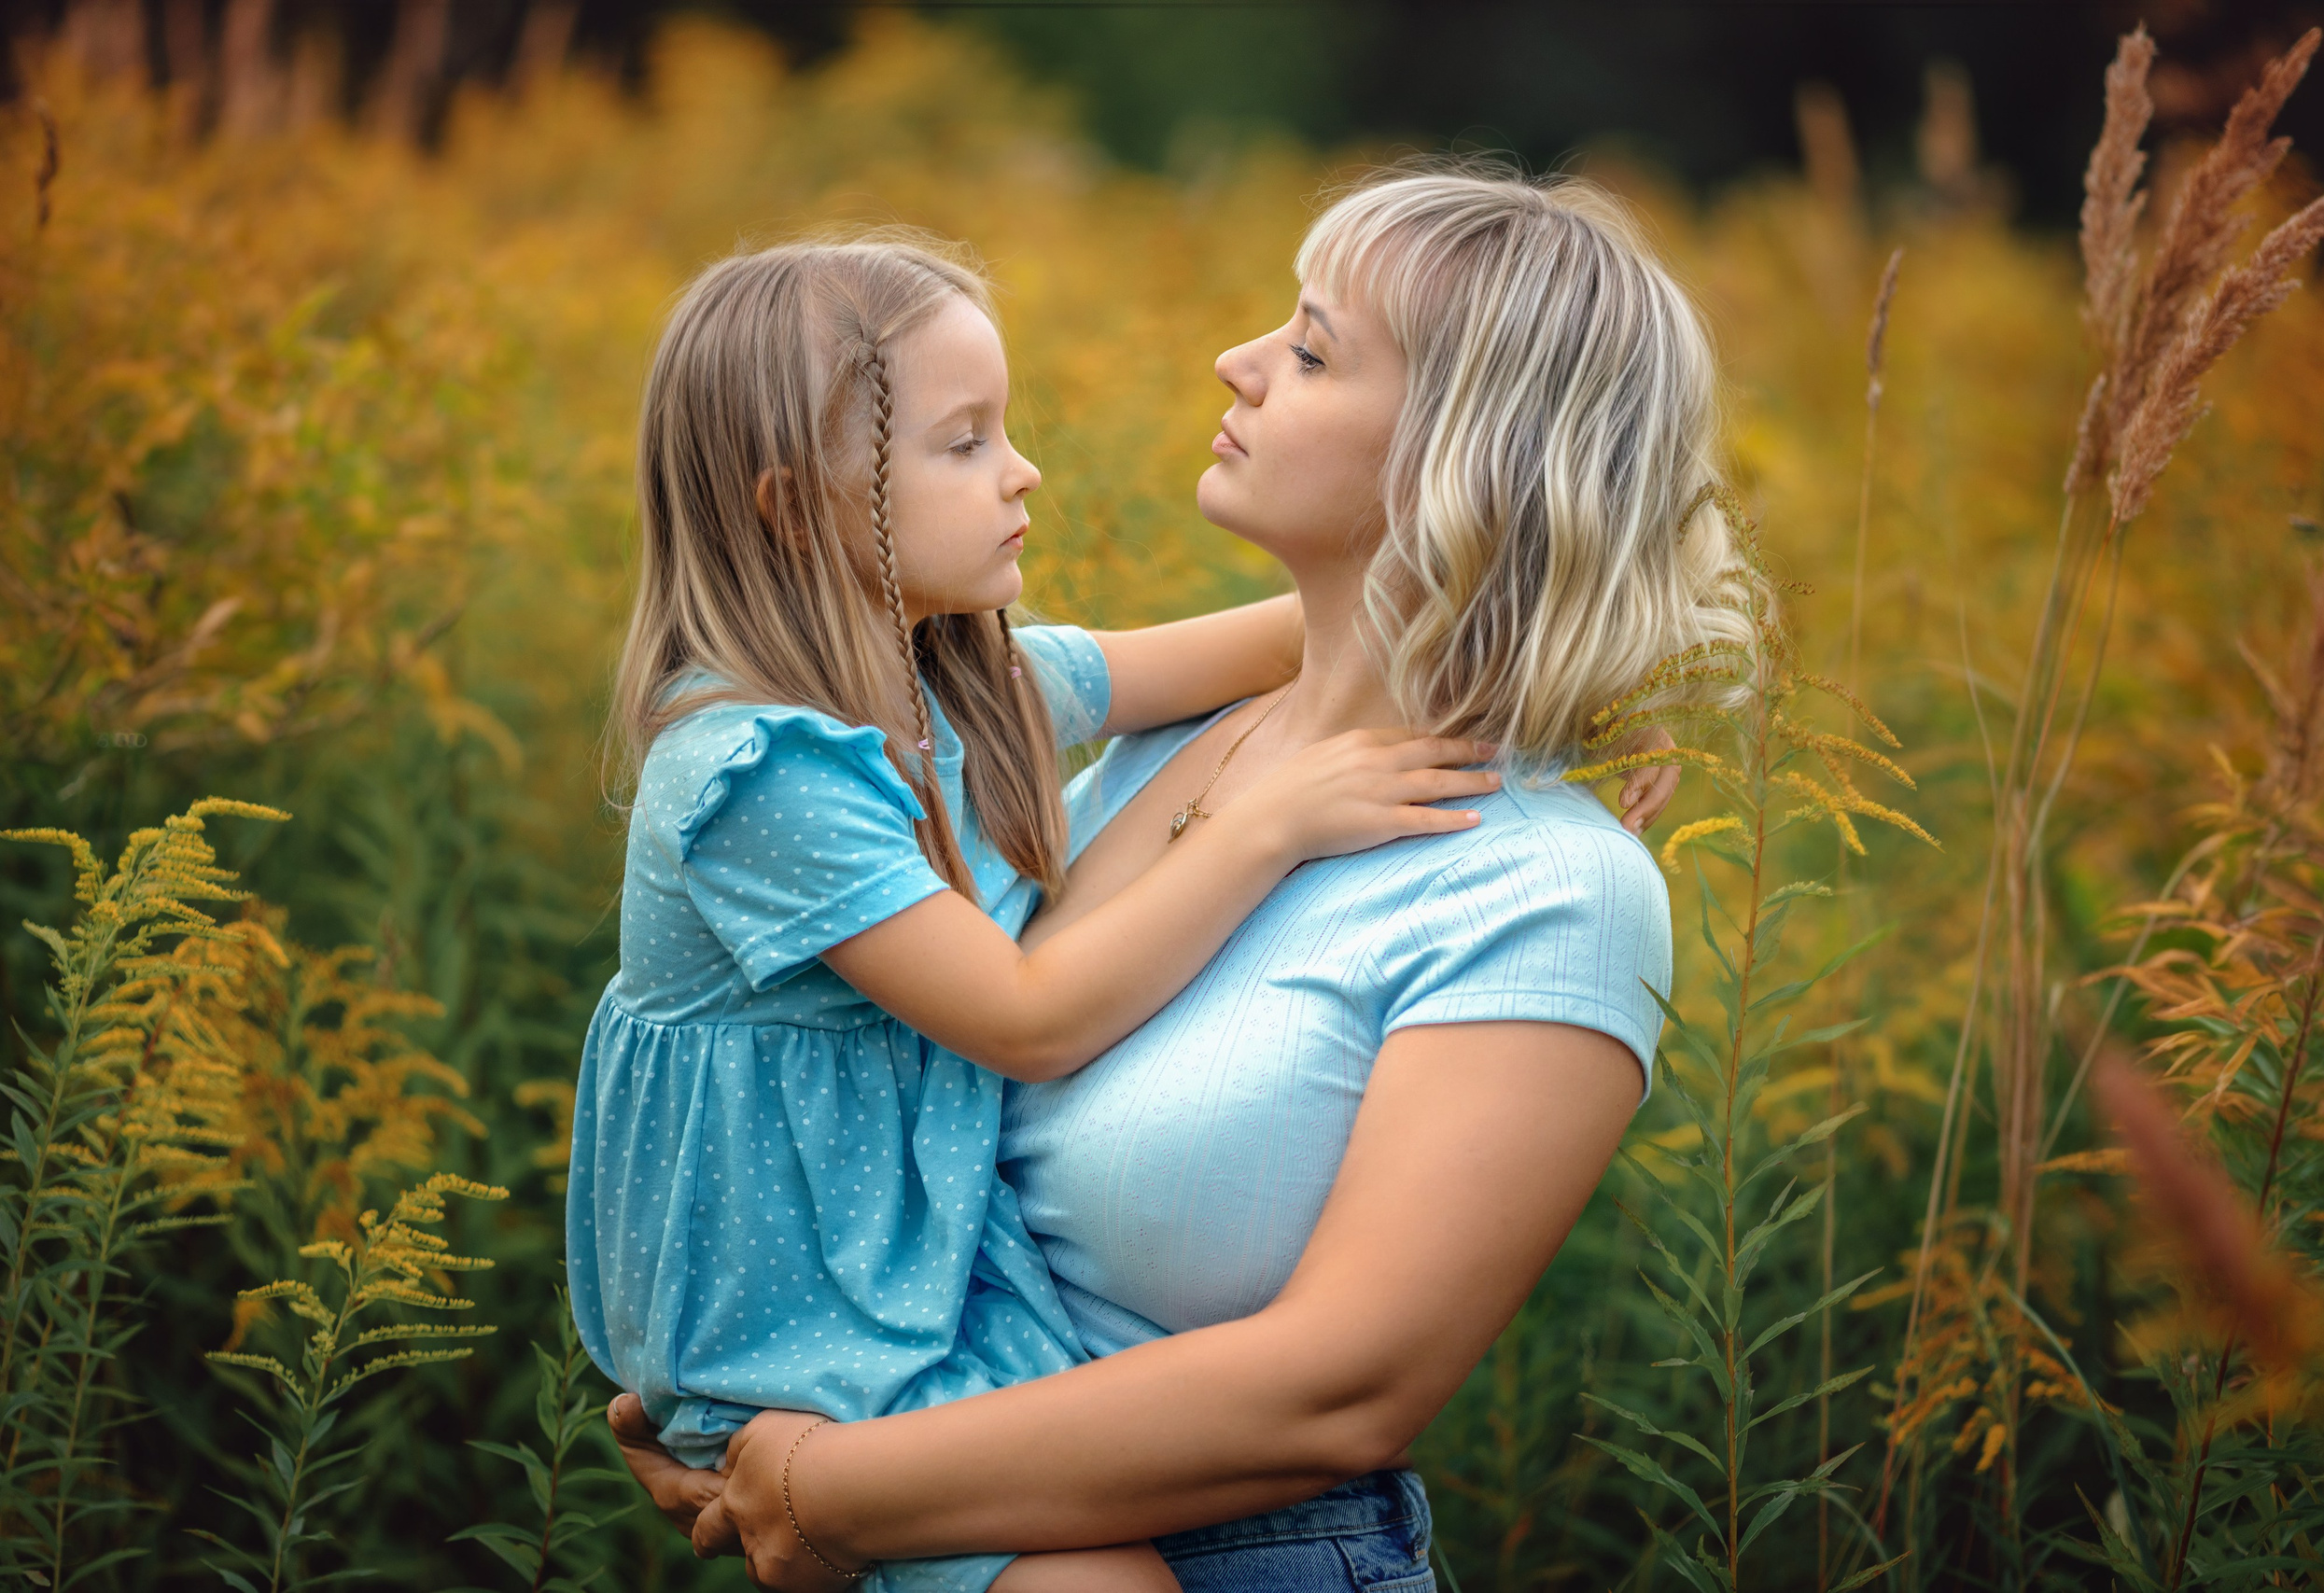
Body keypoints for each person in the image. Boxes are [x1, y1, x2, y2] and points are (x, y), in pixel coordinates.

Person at [609, 164, 1734, 1592]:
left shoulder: (1544, 884)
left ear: (1473, 457)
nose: (1240, 361)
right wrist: (751, 1398)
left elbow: (1341, 1389)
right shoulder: (1159, 750)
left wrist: (825, 1485)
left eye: (1314, 350)